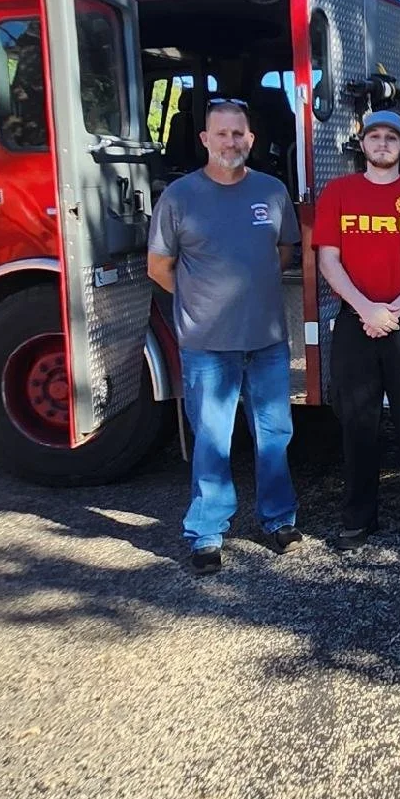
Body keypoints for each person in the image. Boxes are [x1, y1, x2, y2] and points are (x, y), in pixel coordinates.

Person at [147, 97, 302, 575]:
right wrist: (202, 302)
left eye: (239, 133)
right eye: (222, 133)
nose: (231, 142)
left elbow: (284, 251)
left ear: (251, 140)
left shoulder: (273, 191)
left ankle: (278, 520)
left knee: (274, 433)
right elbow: (159, 267)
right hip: (207, 345)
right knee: (214, 437)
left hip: (267, 340)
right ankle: (207, 532)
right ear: (205, 139)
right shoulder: (180, 197)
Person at [317, 109, 400, 553]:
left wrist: (393, 308)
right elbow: (328, 260)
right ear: (362, 144)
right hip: (356, 320)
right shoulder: (338, 193)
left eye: (392, 137)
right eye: (375, 136)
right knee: (357, 423)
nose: (383, 144)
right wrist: (366, 309)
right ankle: (358, 518)